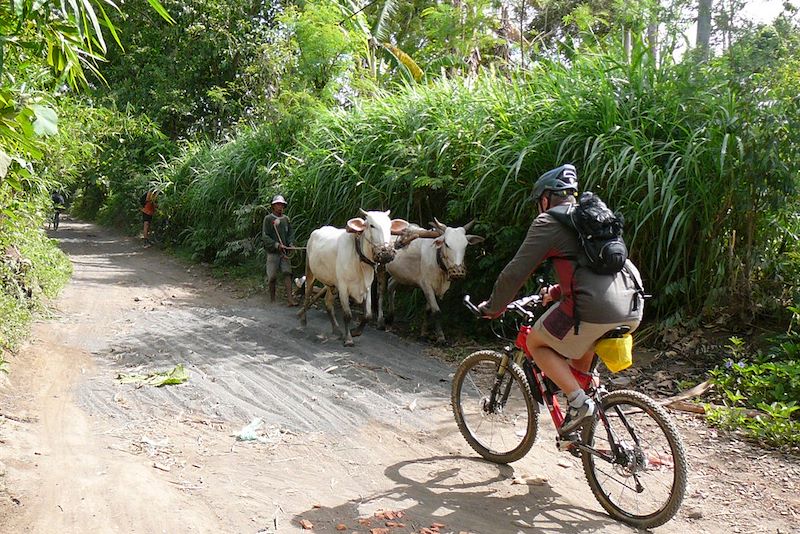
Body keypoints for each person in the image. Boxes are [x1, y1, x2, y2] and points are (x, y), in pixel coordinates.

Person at [478, 164, 645, 435]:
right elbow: (593, 267)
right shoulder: (592, 218)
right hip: (632, 303)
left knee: (536, 342)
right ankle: (583, 427)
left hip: (592, 310)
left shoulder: (549, 221)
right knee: (580, 359)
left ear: (546, 199)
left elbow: (515, 272)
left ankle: (580, 405)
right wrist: (556, 292)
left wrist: (494, 307)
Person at [262, 194, 297, 306]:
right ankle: (272, 300)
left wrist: (290, 243)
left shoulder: (286, 219)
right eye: (277, 204)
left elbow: (290, 233)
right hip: (273, 253)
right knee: (272, 277)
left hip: (285, 253)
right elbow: (265, 236)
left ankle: (290, 300)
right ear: (273, 206)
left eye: (281, 204)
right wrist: (276, 245)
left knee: (287, 274)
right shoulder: (268, 219)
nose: (280, 207)